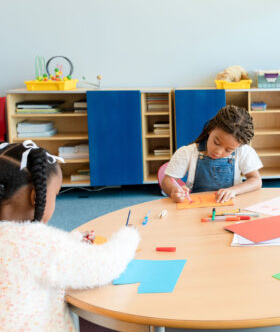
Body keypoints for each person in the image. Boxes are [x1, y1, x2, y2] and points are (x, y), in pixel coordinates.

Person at [0, 140, 140, 331]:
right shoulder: (38, 243)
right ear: (36, 196)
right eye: (56, 194)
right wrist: (128, 237)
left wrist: (71, 241)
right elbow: (105, 265)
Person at [161, 105, 263, 203]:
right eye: (216, 142)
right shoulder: (187, 152)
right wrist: (174, 190)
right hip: (196, 207)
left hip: (231, 207)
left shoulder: (243, 151)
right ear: (211, 129)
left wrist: (233, 191)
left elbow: (256, 180)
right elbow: (167, 181)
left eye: (228, 150)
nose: (218, 152)